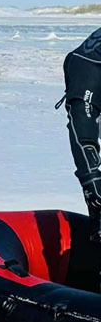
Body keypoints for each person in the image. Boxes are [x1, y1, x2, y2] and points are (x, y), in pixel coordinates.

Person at [61, 27, 101, 242]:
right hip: (89, 71)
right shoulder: (88, 66)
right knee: (96, 187)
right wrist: (91, 178)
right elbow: (82, 129)